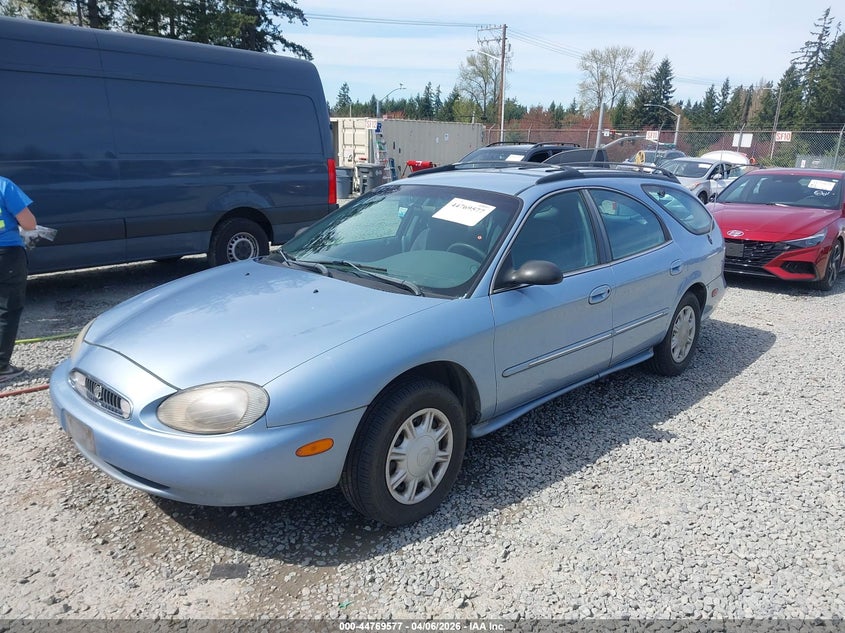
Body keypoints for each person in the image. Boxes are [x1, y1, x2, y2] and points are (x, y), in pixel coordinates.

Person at [0, 177, 37, 382]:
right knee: (7, 310)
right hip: (6, 255)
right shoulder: (4, 186)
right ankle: (1, 367)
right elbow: (29, 223)